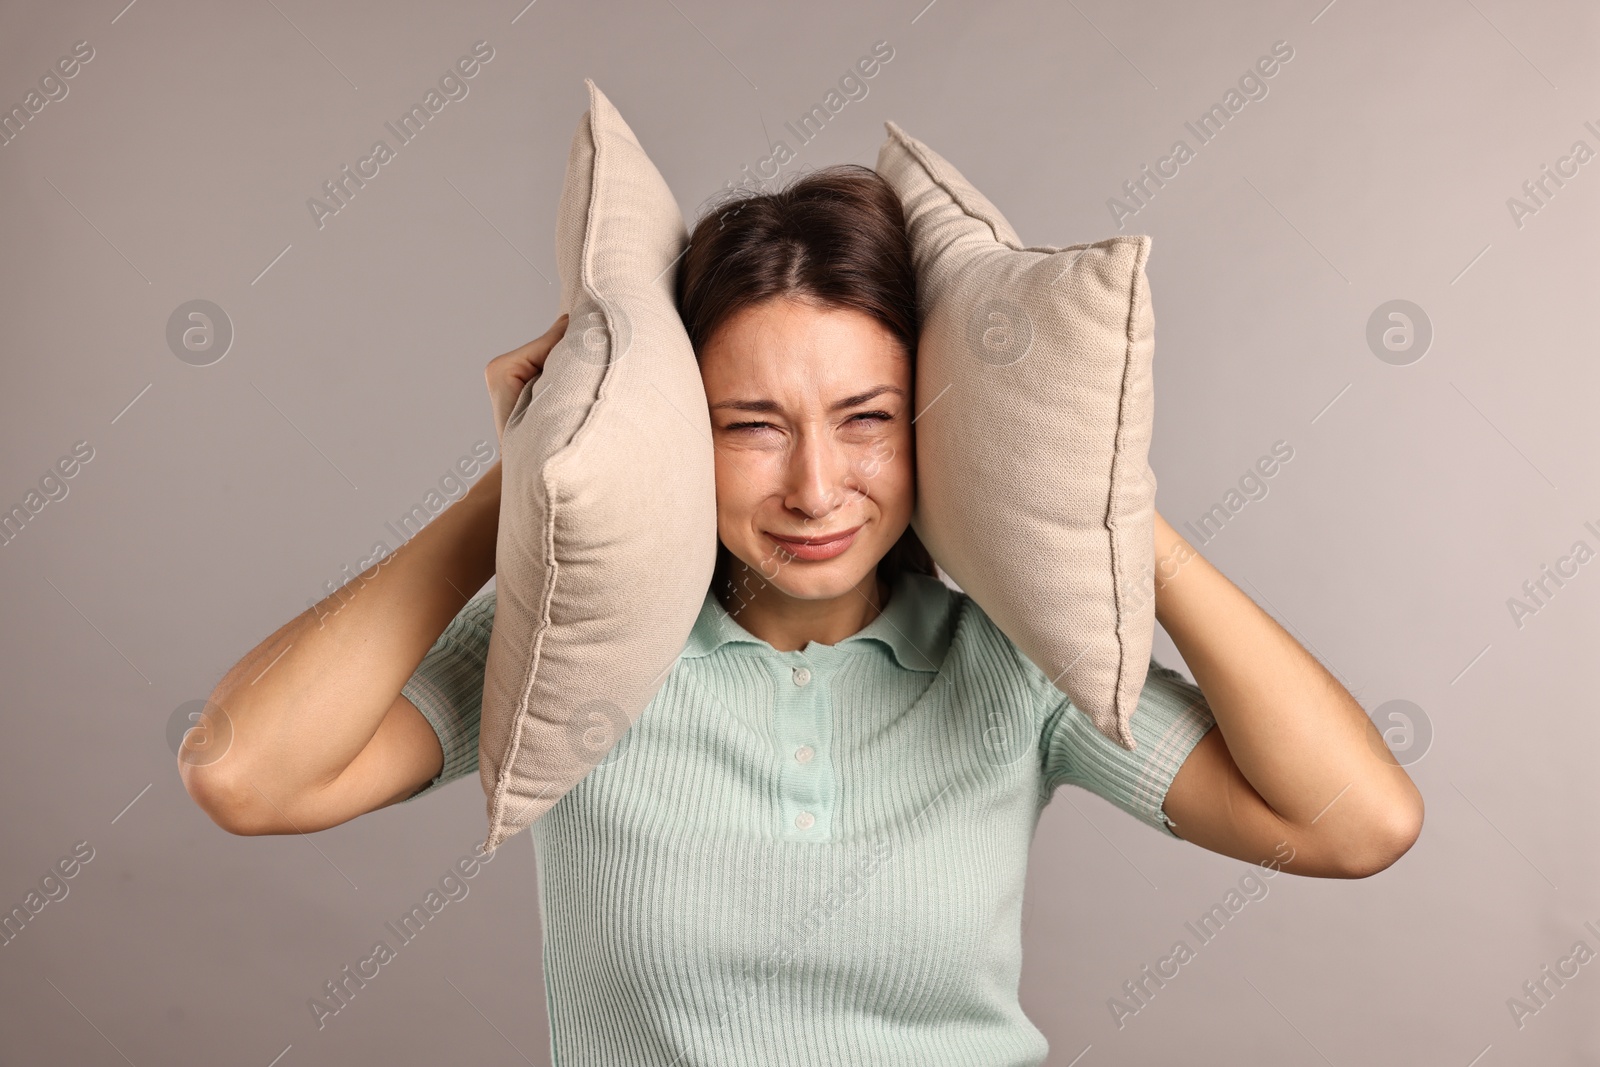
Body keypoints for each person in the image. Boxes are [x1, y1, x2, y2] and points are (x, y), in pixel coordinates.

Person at [179, 164, 1423, 1065]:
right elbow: (246, 775)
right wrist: (525, 473)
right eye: (750, 426)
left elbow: (1358, 822)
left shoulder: (1001, 661)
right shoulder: (574, 645)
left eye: (868, 417)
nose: (817, 488)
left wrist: (1095, 499)